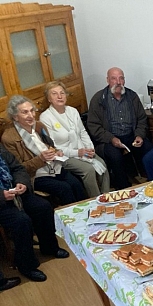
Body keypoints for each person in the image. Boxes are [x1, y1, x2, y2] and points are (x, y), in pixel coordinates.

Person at [0, 143, 69, 282]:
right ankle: (27, 266)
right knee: (21, 221)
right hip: (2, 202)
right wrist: (2, 195)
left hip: (15, 193)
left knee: (43, 207)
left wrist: (22, 183)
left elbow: (17, 168)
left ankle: (50, 248)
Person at [2, 95, 86, 205]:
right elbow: (18, 168)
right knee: (64, 189)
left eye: (32, 110)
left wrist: (56, 152)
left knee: (76, 184)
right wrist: (40, 159)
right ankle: (70, 219)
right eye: (25, 112)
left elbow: (50, 145)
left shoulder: (39, 126)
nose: (31, 115)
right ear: (15, 117)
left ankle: (86, 215)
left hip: (53, 166)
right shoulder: (9, 137)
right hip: (35, 176)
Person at [40, 81, 110, 197]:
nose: (59, 96)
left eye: (62, 93)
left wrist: (90, 148)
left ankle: (106, 196)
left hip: (82, 149)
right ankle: (96, 200)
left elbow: (82, 132)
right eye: (54, 94)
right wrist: (77, 152)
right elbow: (53, 146)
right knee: (88, 170)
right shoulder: (46, 118)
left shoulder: (72, 111)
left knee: (102, 163)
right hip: (63, 155)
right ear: (49, 98)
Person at [87, 67, 153, 190]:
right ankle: (124, 189)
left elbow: (142, 119)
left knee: (149, 149)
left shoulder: (132, 96)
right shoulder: (98, 99)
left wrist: (139, 135)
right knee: (115, 156)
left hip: (131, 135)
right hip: (110, 139)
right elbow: (93, 126)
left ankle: (152, 183)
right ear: (108, 80)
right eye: (114, 78)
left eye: (121, 78)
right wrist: (111, 138)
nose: (118, 82)